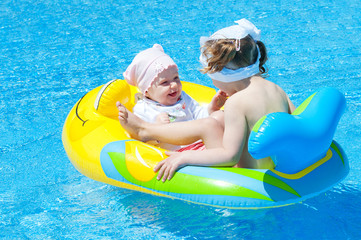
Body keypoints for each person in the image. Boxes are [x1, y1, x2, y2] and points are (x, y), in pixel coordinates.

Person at [117, 19, 295, 181]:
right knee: (216, 118)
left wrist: (184, 157)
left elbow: (230, 156)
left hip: (244, 175)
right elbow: (296, 122)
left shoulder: (236, 102)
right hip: (275, 169)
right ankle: (150, 129)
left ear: (221, 72)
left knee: (208, 125)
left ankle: (145, 130)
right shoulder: (277, 89)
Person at [118, 44, 227, 150]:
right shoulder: (144, 109)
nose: (174, 85)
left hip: (200, 143)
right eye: (165, 82)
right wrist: (157, 126)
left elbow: (198, 115)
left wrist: (212, 109)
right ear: (146, 91)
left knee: (219, 116)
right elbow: (143, 143)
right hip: (178, 151)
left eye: (176, 78)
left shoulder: (183, 97)